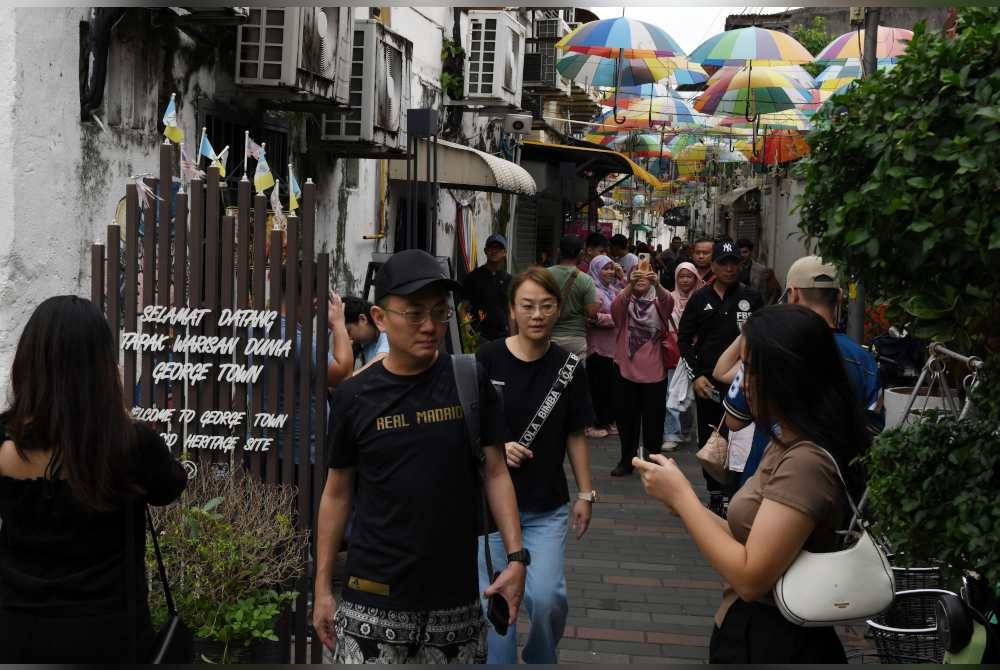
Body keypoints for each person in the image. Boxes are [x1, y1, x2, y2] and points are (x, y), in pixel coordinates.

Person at [313, 249, 527, 664]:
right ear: (379, 318)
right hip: (370, 597)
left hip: (454, 600)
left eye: (439, 312)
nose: (430, 326)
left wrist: (517, 558)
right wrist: (323, 589)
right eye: (414, 314)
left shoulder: (468, 379)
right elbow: (337, 493)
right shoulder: (355, 396)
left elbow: (496, 472)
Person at [633, 305, 870, 663]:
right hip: (753, 630)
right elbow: (744, 536)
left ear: (784, 375)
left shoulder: (806, 462)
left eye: (750, 369)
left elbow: (750, 577)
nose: (741, 380)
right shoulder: (785, 438)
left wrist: (683, 499)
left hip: (777, 640)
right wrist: (683, 502)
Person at [0, 295, 187, 663]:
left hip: (15, 630)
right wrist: (118, 412)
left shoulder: (4, 444)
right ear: (103, 368)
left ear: (29, 362)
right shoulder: (133, 446)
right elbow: (170, 487)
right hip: (109, 637)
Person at [476, 268, 597, 664]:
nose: (537, 315)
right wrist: (499, 446)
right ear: (512, 310)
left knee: (546, 597)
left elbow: (576, 433)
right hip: (490, 512)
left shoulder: (568, 367)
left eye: (546, 306)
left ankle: (542, 655)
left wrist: (585, 493)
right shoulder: (486, 359)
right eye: (527, 306)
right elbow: (469, 428)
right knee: (496, 608)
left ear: (558, 309)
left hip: (547, 506)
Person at [716, 256, 884, 485]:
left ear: (792, 294)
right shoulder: (864, 360)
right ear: (840, 296)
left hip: (768, 479)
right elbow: (872, 428)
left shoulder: (770, 346)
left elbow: (734, 420)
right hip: (835, 484)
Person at [677, 239, 763, 512]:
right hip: (708, 384)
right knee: (710, 436)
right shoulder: (700, 299)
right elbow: (684, 339)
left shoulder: (752, 297)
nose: (729, 268)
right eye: (723, 263)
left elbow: (763, 340)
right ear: (712, 265)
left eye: (734, 263)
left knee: (742, 437)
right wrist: (696, 376)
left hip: (742, 383)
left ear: (741, 264)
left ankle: (736, 490)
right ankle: (715, 491)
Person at [609, 261, 675, 477]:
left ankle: (654, 462)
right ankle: (626, 460)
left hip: (654, 373)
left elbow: (669, 302)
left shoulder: (659, 303)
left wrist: (658, 285)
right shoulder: (624, 303)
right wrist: (631, 283)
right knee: (626, 421)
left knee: (653, 422)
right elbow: (615, 306)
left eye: (647, 275)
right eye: (637, 274)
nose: (642, 279)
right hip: (625, 371)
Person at [662, 262, 703, 452]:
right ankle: (671, 434)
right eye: (681, 276)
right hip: (674, 351)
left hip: (697, 352)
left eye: (690, 276)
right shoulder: (669, 298)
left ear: (696, 278)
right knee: (672, 392)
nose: (685, 280)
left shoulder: (703, 298)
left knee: (690, 394)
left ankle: (686, 429)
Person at [586, 255, 623, 438]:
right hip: (597, 347)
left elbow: (625, 299)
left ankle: (607, 421)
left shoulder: (611, 289)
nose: (609, 272)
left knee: (610, 387)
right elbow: (591, 318)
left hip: (612, 349)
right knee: (598, 387)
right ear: (595, 270)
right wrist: (614, 320)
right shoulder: (593, 291)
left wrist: (621, 276)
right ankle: (595, 423)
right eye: (605, 268)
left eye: (611, 268)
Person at [546, 235, 599, 359]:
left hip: (548, 336)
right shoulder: (586, 279)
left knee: (548, 376)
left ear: (558, 251)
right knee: (574, 376)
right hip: (575, 339)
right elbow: (591, 312)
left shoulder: (545, 275)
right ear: (581, 253)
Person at [461, 233, 513, 342]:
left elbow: (510, 311)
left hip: (502, 336)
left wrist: (512, 337)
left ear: (504, 253)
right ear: (485, 251)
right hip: (479, 335)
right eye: (491, 248)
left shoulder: (509, 280)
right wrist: (467, 327)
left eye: (498, 248)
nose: (494, 251)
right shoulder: (473, 277)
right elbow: (463, 308)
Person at [343, 295, 390, 370]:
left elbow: (381, 362)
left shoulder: (387, 331)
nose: (348, 338)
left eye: (349, 331)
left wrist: (349, 379)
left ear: (363, 319)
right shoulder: (367, 343)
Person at [737, 239, 782, 305]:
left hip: (755, 306)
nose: (742, 255)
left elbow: (775, 291)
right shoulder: (732, 269)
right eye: (739, 252)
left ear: (751, 252)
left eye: (745, 252)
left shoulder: (761, 270)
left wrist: (767, 307)